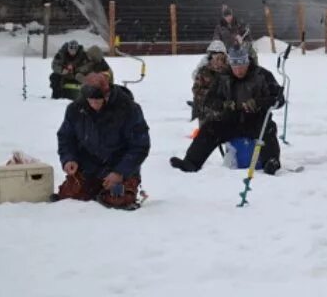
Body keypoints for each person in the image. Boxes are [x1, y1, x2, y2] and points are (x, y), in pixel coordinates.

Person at [170, 45, 284, 175]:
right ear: (230, 63)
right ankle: (191, 163)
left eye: (242, 64)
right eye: (235, 65)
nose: (239, 69)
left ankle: (272, 162)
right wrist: (225, 104)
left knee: (268, 129)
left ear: (248, 61)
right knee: (209, 128)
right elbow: (209, 100)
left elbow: (279, 100)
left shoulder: (262, 75)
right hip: (231, 120)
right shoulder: (223, 77)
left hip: (256, 119)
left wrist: (258, 103)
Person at [55, 72, 150, 209]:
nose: (93, 105)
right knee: (68, 198)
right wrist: (69, 158)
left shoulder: (129, 109)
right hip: (88, 167)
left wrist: (119, 172)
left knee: (119, 200)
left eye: (97, 101)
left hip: (120, 167)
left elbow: (140, 146)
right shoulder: (75, 109)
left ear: (107, 95)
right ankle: (95, 190)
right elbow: (66, 137)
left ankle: (131, 189)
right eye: (90, 101)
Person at [191, 40, 229, 124]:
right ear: (210, 58)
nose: (218, 62)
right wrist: (211, 95)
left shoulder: (229, 71)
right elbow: (196, 90)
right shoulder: (204, 72)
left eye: (221, 58)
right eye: (216, 58)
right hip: (207, 110)